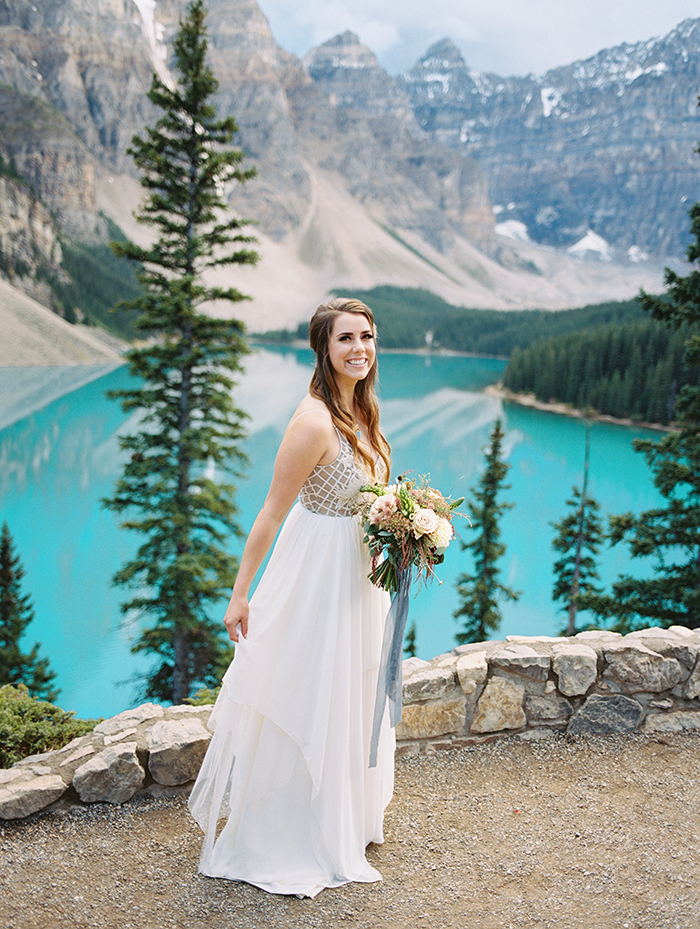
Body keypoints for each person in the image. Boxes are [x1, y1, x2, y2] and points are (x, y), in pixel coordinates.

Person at [188, 297, 396, 898]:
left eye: (367, 337)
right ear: (322, 350)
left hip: (358, 580)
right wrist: (239, 594)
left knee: (349, 691)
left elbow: (372, 497)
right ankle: (290, 829)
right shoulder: (313, 420)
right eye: (345, 340)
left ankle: (341, 819)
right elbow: (271, 513)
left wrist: (401, 530)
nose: (360, 348)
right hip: (314, 579)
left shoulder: (366, 411)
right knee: (309, 689)